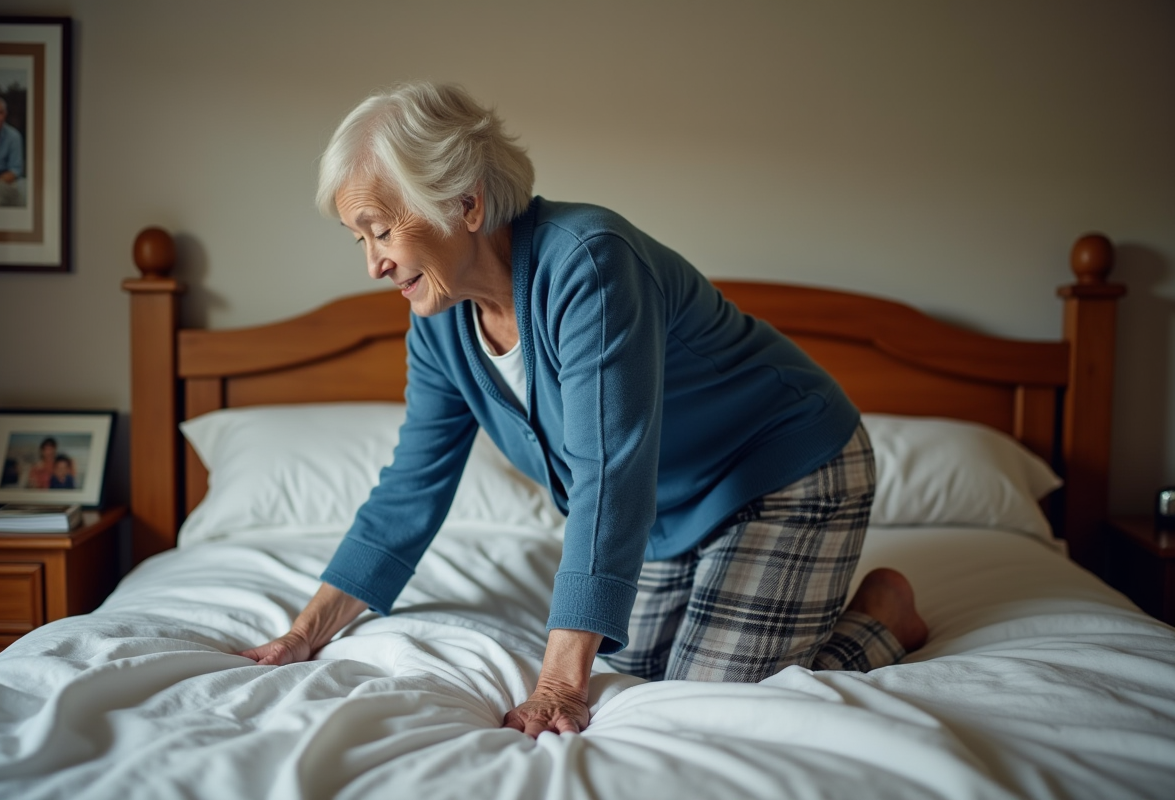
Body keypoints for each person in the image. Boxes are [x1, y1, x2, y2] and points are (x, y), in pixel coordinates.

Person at [241, 82, 927, 738]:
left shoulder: (589, 264)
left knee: (703, 706)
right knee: (639, 680)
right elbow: (410, 487)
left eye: (381, 231)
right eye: (358, 239)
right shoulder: (440, 323)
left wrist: (558, 686)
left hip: (783, 468)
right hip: (669, 510)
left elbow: (608, 474)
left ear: (465, 205)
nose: (374, 265)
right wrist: (305, 633)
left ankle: (885, 619)